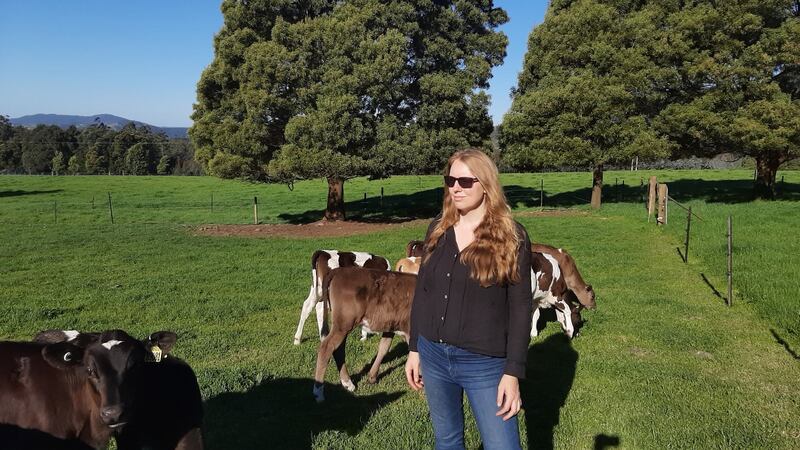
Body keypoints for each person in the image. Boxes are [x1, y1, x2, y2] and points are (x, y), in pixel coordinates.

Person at [405, 148, 533, 450]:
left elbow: (521, 308)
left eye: (465, 181)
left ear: (486, 184)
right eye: (450, 180)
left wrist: (512, 372)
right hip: (433, 355)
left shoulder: (512, 237)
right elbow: (423, 292)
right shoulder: (438, 228)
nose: (456, 188)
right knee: (447, 442)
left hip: (485, 364)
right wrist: (414, 349)